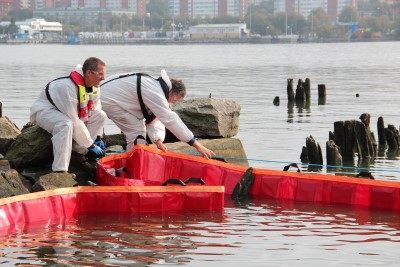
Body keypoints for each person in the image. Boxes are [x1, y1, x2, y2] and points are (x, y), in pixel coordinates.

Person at [100, 69, 215, 159]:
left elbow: (155, 119)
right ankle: (132, 164)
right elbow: (170, 119)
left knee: (138, 130)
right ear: (172, 92)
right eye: (177, 99)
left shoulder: (156, 86)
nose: (174, 102)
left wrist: (158, 140)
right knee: (137, 131)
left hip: (107, 94)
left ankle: (134, 158)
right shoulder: (156, 92)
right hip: (107, 99)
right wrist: (196, 145)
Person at [30, 57, 107, 175]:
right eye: (100, 74)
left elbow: (96, 110)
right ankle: (60, 169)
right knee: (65, 124)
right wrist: (90, 144)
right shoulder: (68, 87)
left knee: (100, 115)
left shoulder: (95, 88)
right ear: (89, 73)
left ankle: (79, 151)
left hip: (67, 113)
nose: (103, 78)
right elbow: (74, 120)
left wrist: (98, 137)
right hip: (46, 111)